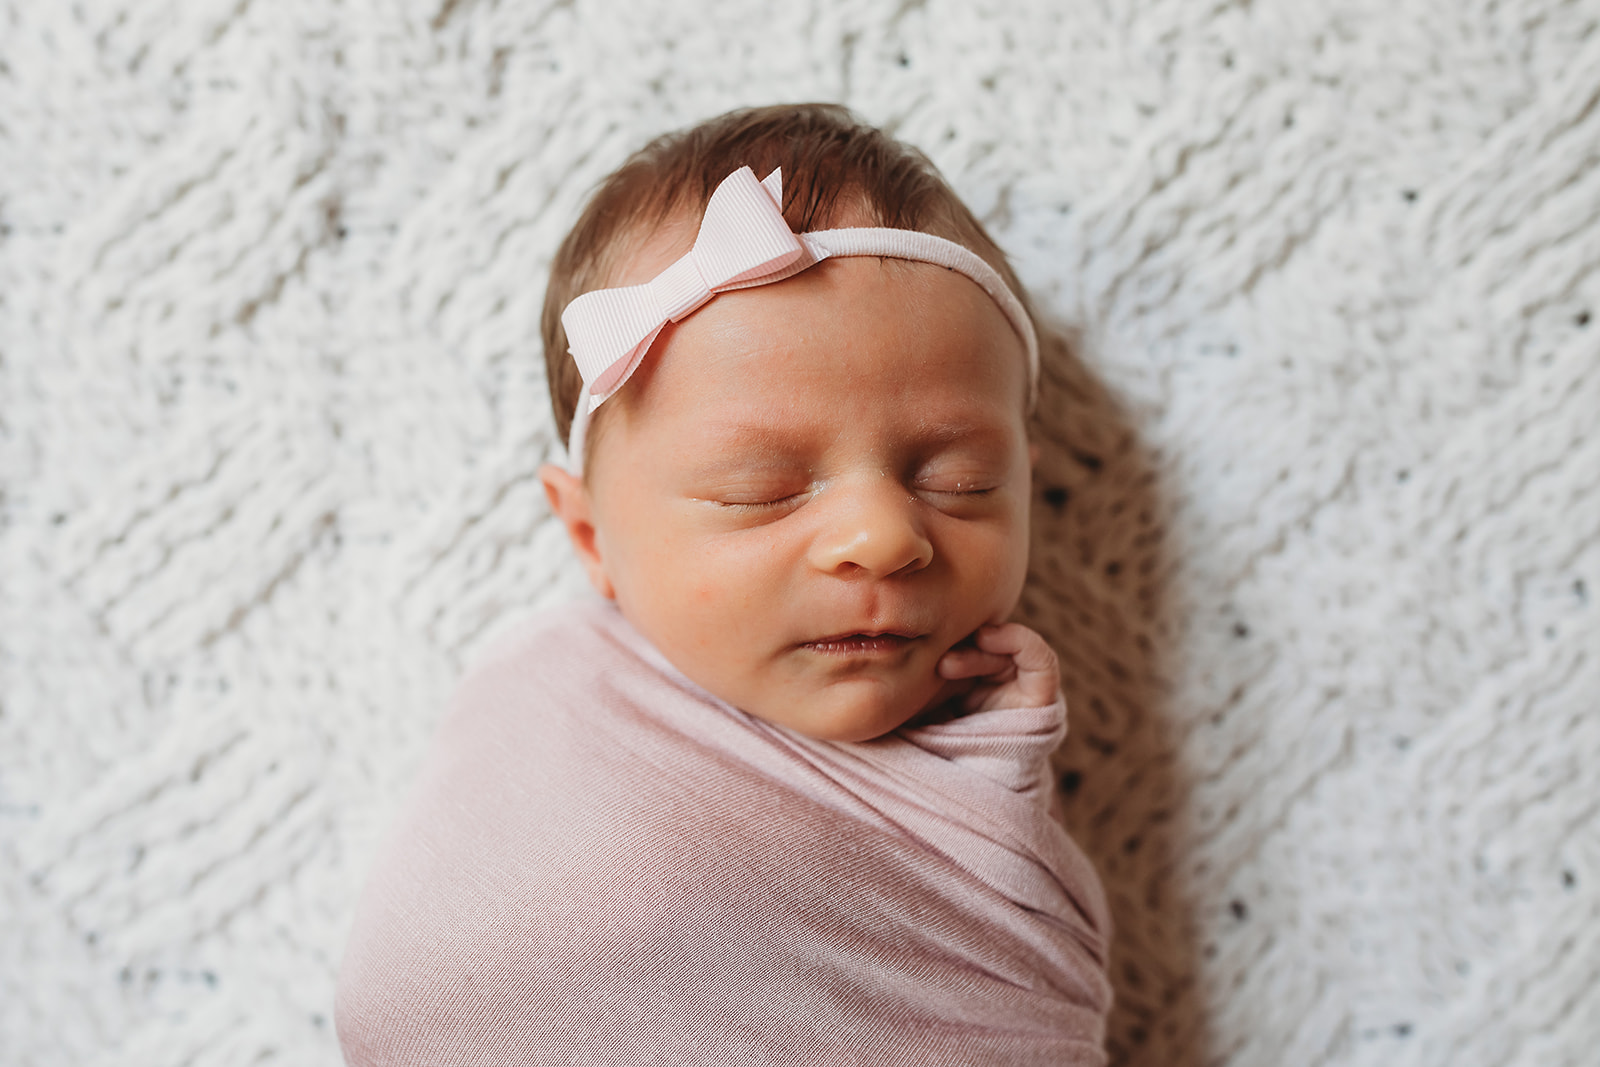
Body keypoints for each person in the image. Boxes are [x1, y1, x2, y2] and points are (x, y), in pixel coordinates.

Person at [335, 103, 1112, 1065]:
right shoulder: (544, 712)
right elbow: (427, 997)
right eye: (762, 491)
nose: (881, 536)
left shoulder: (984, 776)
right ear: (591, 535)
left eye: (960, 483)